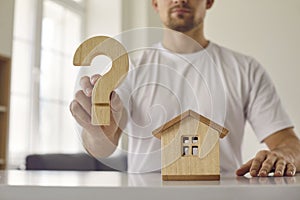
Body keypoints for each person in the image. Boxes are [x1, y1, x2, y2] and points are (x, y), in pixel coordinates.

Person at [70, 0, 300, 176]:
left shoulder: (246, 69)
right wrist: (95, 131)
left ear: (209, 1)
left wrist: (283, 155)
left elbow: (287, 143)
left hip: (224, 196)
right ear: (155, 3)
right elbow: (103, 148)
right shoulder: (131, 68)